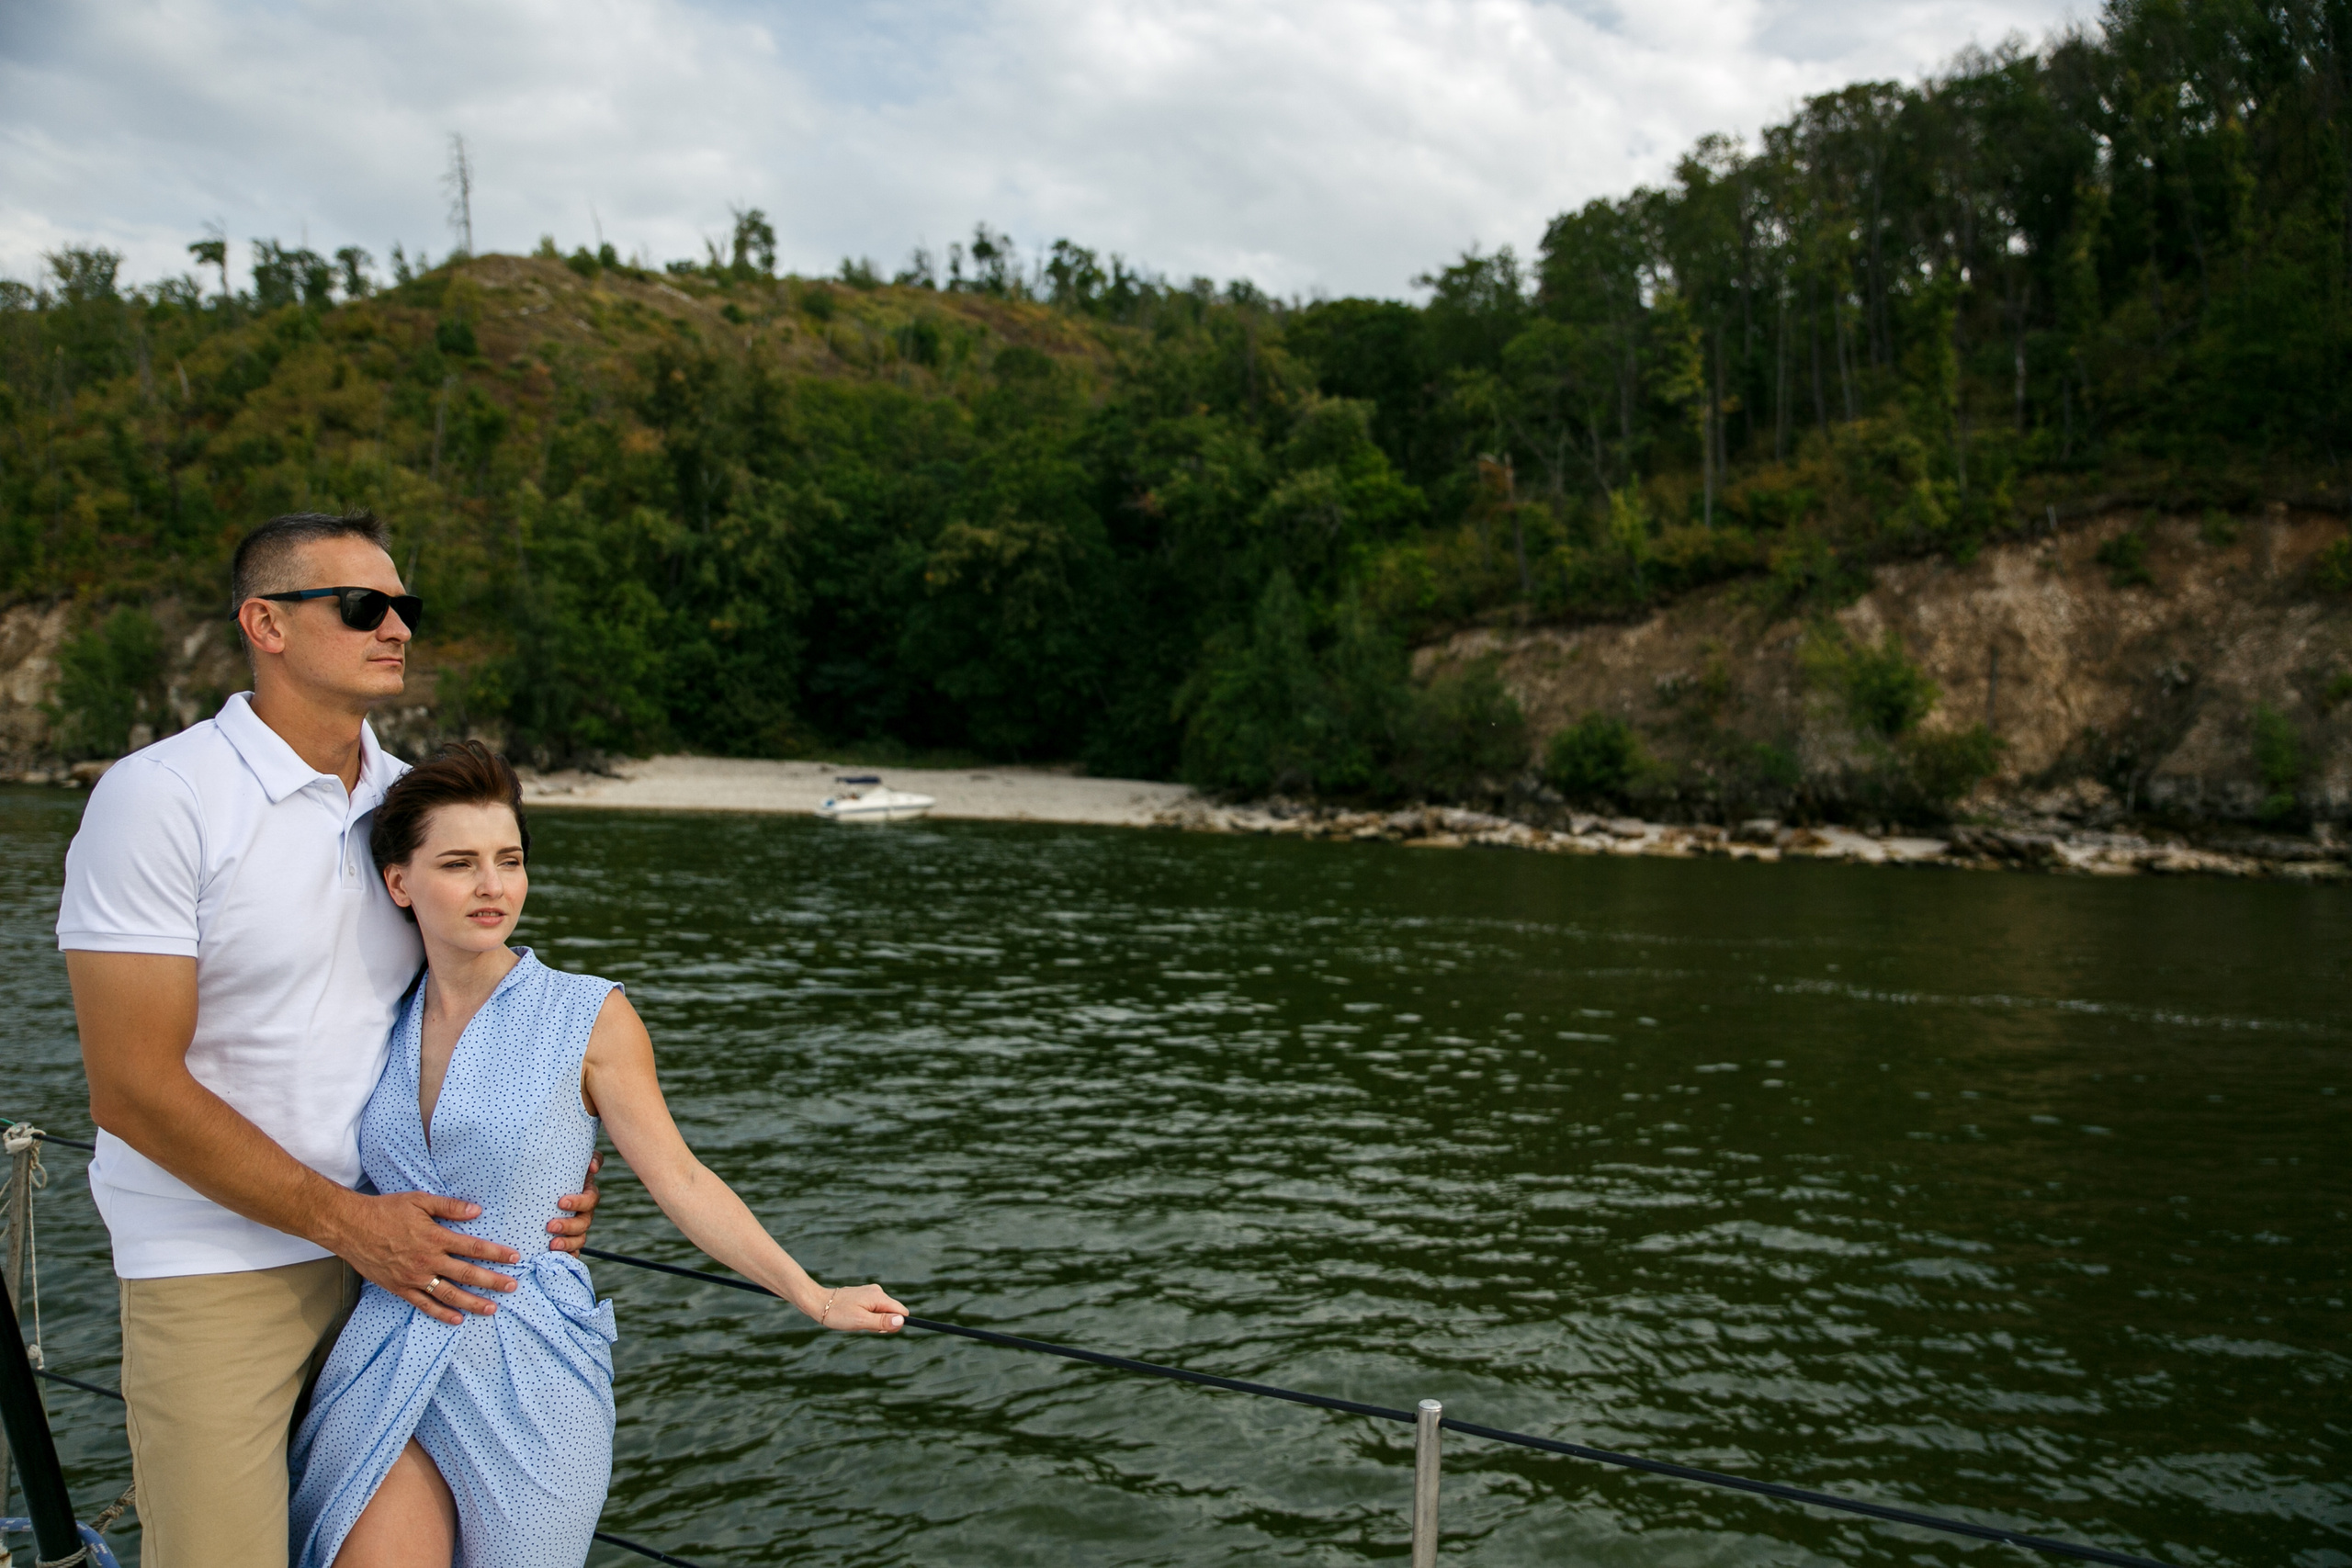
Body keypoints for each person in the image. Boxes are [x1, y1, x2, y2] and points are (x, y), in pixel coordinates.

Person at [57, 513, 604, 1568]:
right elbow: (128, 1087)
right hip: (217, 1267)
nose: (395, 624)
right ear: (264, 622)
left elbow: (479, 1012)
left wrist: (553, 1171)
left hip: (404, 1268)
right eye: (362, 606)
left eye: (405, 606)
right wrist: (352, 1225)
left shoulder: (406, 810)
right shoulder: (160, 800)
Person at [288, 741, 907, 1568]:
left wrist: (812, 1293)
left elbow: (681, 1176)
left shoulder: (588, 1015)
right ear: (400, 883)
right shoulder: (374, 1017)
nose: (492, 886)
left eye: (509, 860)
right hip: (389, 1348)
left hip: (529, 1370)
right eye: (460, 863)